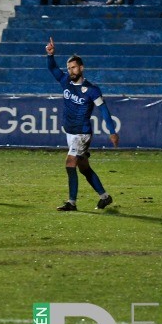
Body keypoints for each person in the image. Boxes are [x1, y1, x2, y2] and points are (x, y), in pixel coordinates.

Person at [45, 38, 119, 211]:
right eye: (69, 68)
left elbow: (104, 110)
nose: (71, 70)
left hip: (82, 133)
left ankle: (71, 202)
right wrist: (50, 55)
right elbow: (53, 68)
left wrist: (112, 131)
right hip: (70, 132)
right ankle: (104, 196)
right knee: (84, 168)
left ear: (81, 68)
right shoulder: (65, 82)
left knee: (70, 163)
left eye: (74, 67)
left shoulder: (92, 90)